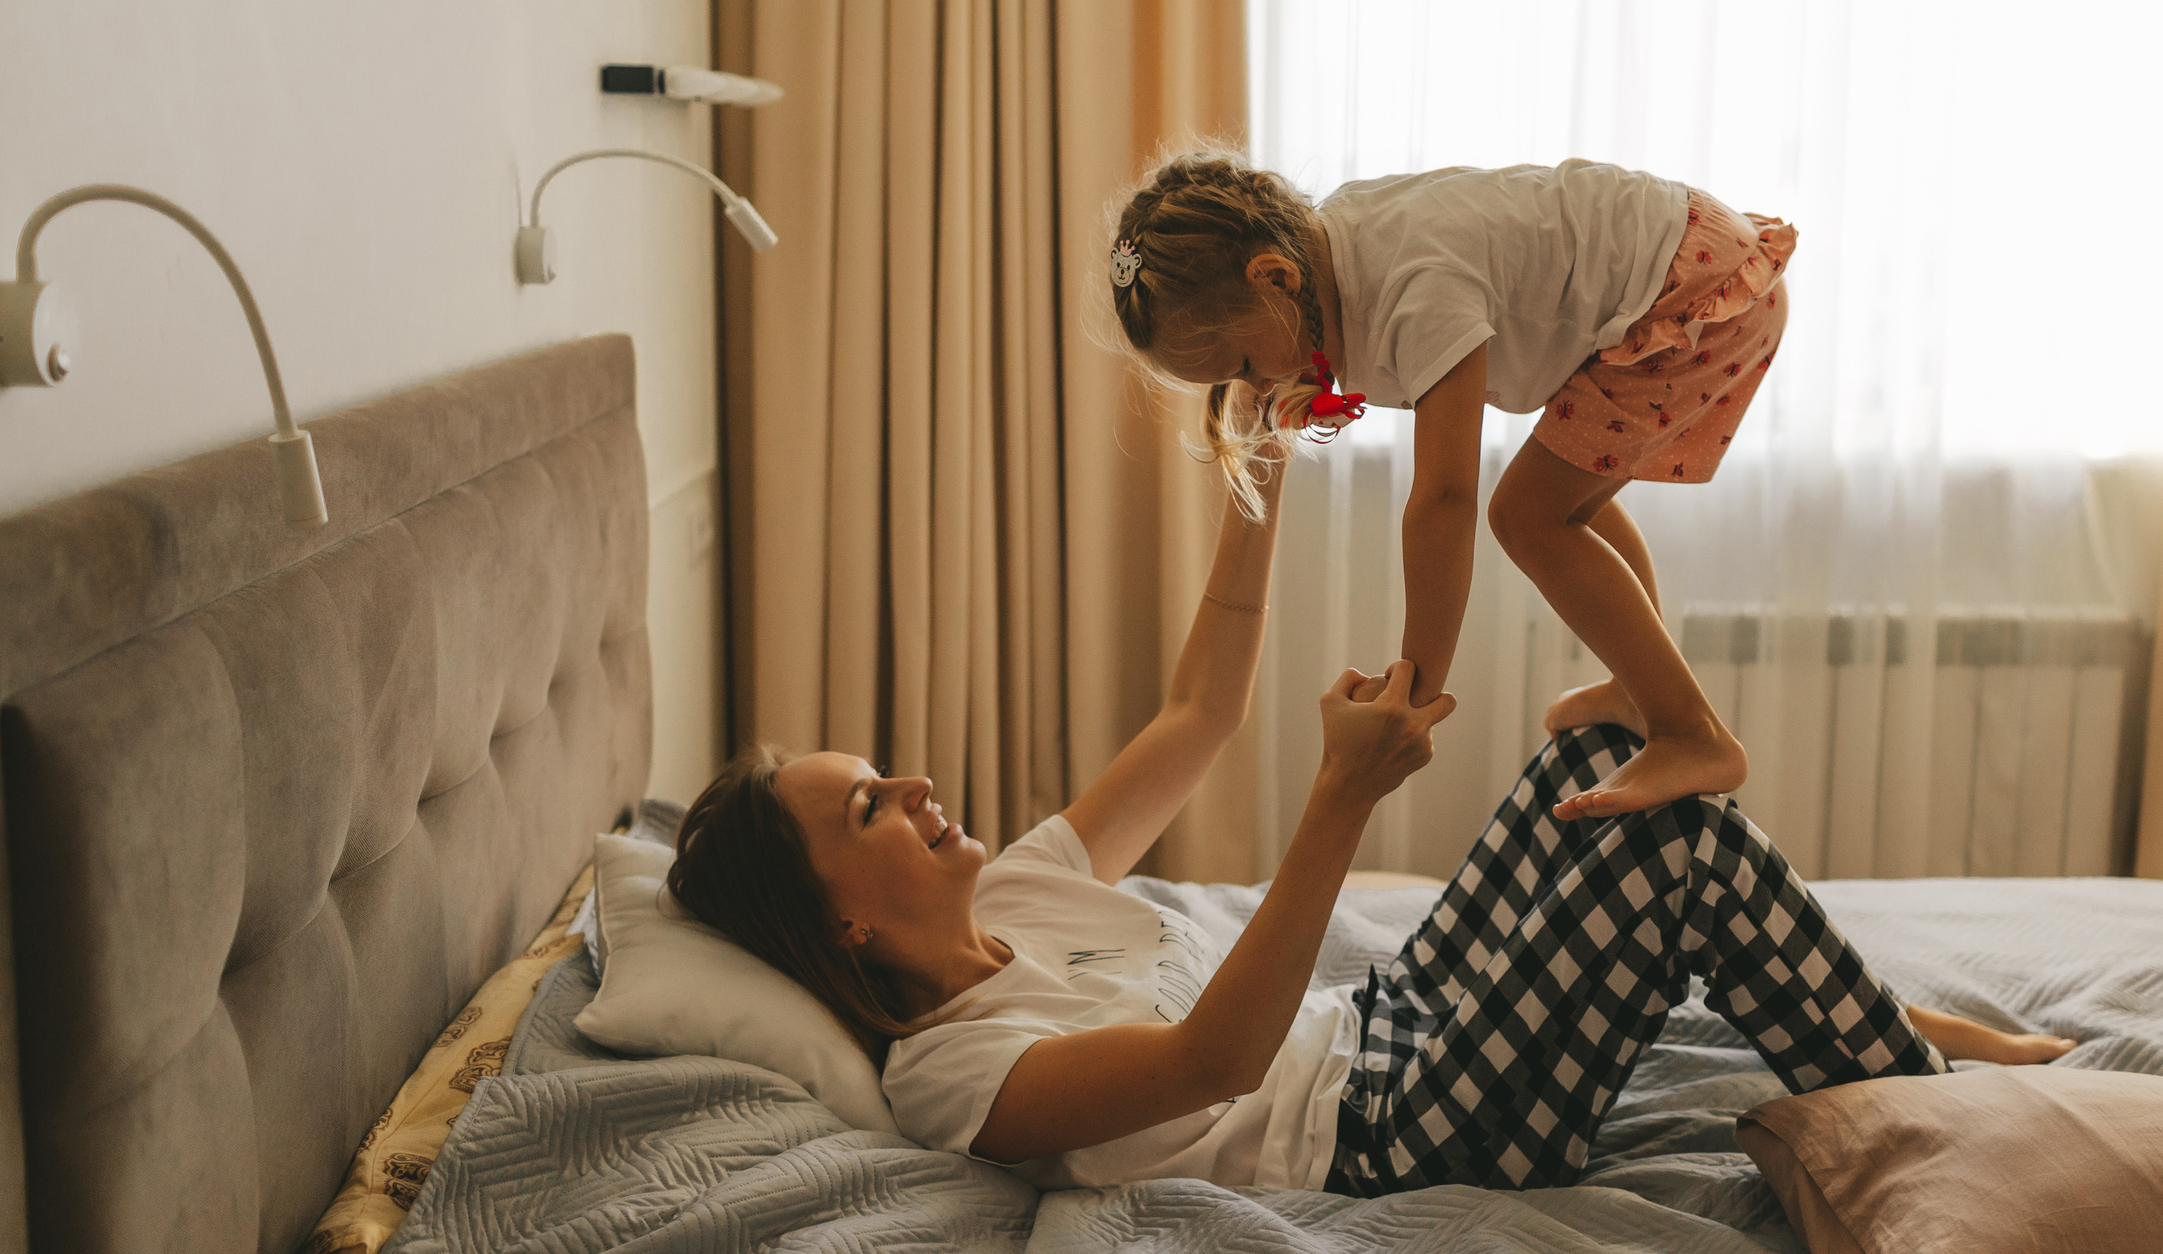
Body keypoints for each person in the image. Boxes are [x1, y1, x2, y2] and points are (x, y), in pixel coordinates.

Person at [668, 444, 2073, 1196]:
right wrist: (1338, 796)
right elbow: (1212, 1058)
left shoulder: (1019, 890)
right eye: (870, 802)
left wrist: (1258, 469)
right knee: (1677, 841)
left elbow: (1201, 708)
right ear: (842, 915)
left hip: (1393, 1016)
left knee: (1604, 752)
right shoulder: (952, 1077)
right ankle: (1918, 1087)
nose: (916, 786)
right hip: (1402, 1130)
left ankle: (1851, 1022)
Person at [1106, 148, 1790, 822]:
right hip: (1692, 256)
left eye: (1247, 362)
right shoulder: (1340, 254)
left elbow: (1442, 499)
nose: (1256, 385)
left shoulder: (1410, 283)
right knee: (1563, 502)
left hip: (1696, 287)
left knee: (1526, 516)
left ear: (1276, 275)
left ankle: (1692, 732)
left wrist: (1416, 687)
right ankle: (1643, 693)